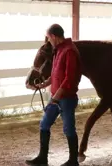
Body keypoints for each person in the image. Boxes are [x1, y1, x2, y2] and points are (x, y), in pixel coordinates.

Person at [25, 24, 82, 166]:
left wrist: (55, 97)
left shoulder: (69, 51)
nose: (48, 41)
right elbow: (55, 74)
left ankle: (73, 161)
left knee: (69, 128)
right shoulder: (58, 50)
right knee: (44, 124)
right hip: (56, 97)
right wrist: (43, 84)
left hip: (66, 98)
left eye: (49, 38)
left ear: (55, 37)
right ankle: (42, 158)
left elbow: (69, 78)